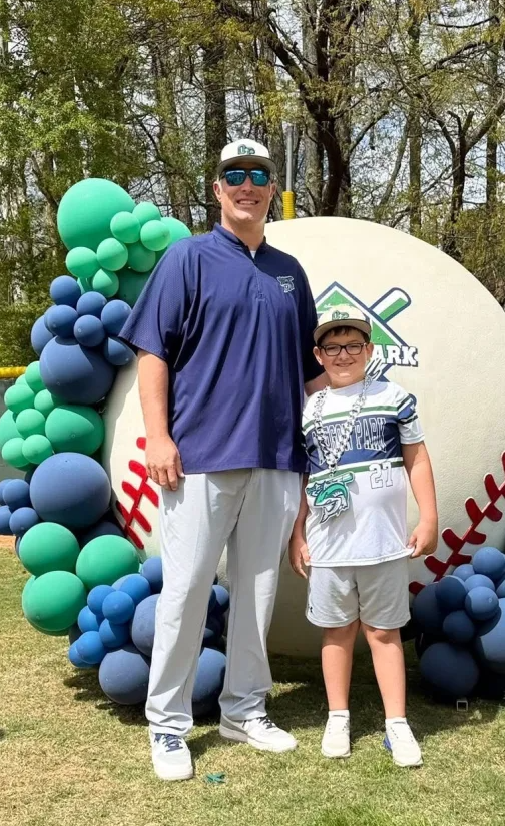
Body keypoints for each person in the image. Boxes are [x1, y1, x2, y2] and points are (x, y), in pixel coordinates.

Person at [119, 138, 326, 781]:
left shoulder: (290, 271)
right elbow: (151, 351)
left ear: (271, 188)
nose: (246, 184)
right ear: (217, 189)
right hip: (200, 455)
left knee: (258, 593)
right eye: (233, 175)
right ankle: (169, 724)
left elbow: (311, 375)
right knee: (183, 591)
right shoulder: (188, 259)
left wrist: (366, 413)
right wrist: (158, 436)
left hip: (275, 456)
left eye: (258, 175)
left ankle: (244, 709)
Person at [288, 305, 438, 767]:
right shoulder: (309, 408)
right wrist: (297, 532)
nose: (343, 354)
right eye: (332, 347)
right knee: (336, 632)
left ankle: (397, 723)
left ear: (370, 349)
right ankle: (338, 716)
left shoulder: (395, 396)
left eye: (354, 344)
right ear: (319, 353)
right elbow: (303, 479)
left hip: (383, 544)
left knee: (384, 632)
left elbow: (416, 458)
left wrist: (429, 516)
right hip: (329, 547)